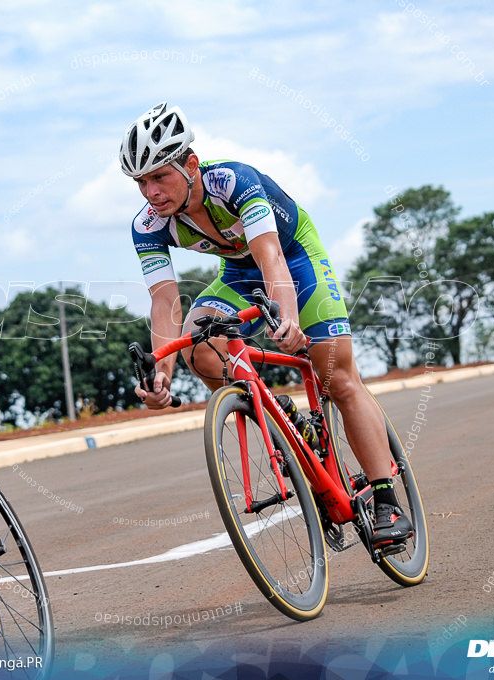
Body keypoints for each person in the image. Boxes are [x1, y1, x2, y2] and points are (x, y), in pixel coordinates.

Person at [120, 102, 412, 546]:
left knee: (337, 376)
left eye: (160, 176)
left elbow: (272, 257)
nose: (150, 191)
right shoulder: (147, 225)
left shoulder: (233, 181)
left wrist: (289, 319)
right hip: (237, 273)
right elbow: (165, 302)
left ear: (191, 165)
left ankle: (387, 498)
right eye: (141, 181)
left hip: (295, 259)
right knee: (199, 345)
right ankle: (281, 417)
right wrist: (161, 374)